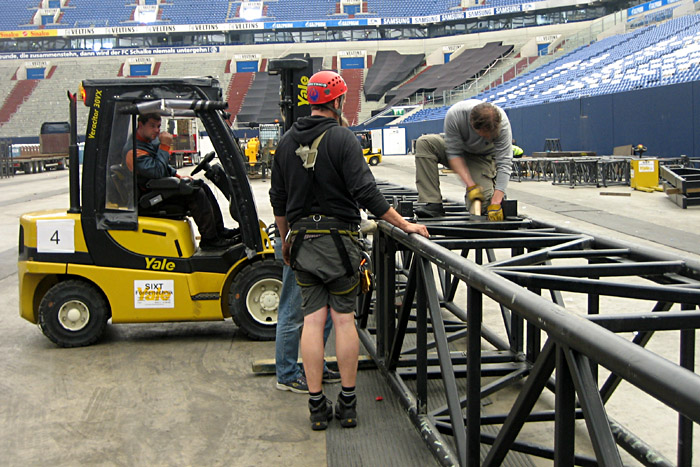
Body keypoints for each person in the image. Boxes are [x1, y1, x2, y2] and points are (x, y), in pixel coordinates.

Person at [270, 70, 429, 431]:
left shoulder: (285, 142)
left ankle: (315, 406)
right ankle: (348, 402)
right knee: (343, 320)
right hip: (340, 243)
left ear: (311, 101)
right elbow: (367, 194)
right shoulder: (343, 138)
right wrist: (404, 224)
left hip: (301, 242)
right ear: (338, 102)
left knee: (312, 320)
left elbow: (278, 200)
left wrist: (286, 242)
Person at [126, 113, 236, 250]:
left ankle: (220, 231)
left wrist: (178, 176)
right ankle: (210, 240)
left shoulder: (149, 142)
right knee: (195, 194)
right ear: (140, 125)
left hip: (158, 190)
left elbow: (164, 166)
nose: (157, 130)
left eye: (158, 126)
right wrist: (165, 146)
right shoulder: (134, 151)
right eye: (152, 126)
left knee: (201, 186)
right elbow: (157, 172)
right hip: (150, 199)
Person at [413, 99, 513, 221]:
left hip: (481, 158)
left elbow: (505, 163)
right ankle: (433, 203)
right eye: (483, 135)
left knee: (483, 208)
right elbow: (453, 154)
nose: (486, 138)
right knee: (425, 143)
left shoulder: (502, 124)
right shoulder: (456, 114)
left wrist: (496, 201)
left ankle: (494, 193)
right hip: (458, 150)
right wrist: (471, 186)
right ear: (472, 124)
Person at [273, 233, 340, 393]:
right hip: (296, 242)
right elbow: (280, 210)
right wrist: (285, 241)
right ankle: (287, 374)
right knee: (292, 311)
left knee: (324, 311)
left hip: (319, 242)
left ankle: (315, 366)